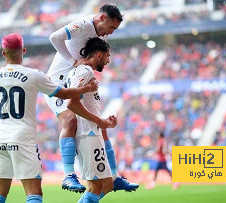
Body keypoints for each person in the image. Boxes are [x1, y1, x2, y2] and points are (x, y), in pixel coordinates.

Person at [0, 33, 99, 203]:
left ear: (3, 53)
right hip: (22, 138)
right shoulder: (33, 75)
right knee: (34, 194)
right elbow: (63, 93)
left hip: (1, 140)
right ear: (23, 50)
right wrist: (87, 88)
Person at [45, 3, 138, 193]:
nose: (111, 33)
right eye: (111, 27)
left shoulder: (97, 36)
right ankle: (69, 175)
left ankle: (114, 176)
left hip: (74, 81)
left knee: (101, 127)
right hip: (56, 84)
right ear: (102, 18)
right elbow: (54, 37)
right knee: (70, 120)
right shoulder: (83, 25)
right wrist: (72, 61)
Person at [66, 37, 118, 202]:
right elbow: (72, 103)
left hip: (91, 131)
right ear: (99, 55)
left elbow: (82, 103)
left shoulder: (78, 71)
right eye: (107, 56)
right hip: (87, 134)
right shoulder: (85, 71)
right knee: (95, 187)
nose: (108, 60)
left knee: (107, 184)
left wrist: (103, 121)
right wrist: (98, 121)